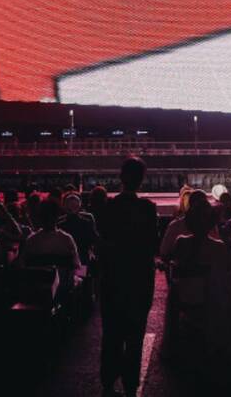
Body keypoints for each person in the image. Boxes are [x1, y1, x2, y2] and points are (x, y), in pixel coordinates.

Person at [97, 157, 159, 397]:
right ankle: (131, 384)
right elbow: (151, 244)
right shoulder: (148, 208)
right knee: (135, 335)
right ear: (142, 179)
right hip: (139, 278)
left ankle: (108, 382)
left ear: (120, 178)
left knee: (111, 332)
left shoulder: (108, 207)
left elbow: (103, 241)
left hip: (113, 278)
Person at [59, 192, 99, 263]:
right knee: (81, 274)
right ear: (79, 206)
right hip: (82, 258)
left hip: (64, 260)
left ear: (65, 207)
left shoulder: (60, 224)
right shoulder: (86, 222)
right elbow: (94, 239)